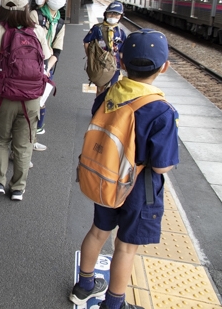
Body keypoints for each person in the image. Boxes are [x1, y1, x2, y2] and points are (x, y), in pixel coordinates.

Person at [69, 29, 179, 309]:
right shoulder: (161, 110)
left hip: (106, 176)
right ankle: (114, 304)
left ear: (122, 63)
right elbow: (163, 165)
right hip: (138, 189)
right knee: (126, 247)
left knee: (97, 231)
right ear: (164, 67)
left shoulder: (110, 93)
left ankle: (84, 285)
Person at [0, 0, 42, 201]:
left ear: (1, 5)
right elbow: (46, 64)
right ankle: (18, 188)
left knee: (1, 140)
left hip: (3, 95)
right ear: (26, 6)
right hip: (31, 97)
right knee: (24, 143)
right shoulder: (37, 31)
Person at [30, 0, 70, 146]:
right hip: (31, 64)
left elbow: (57, 51)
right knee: (29, 103)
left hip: (48, 66)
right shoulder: (35, 15)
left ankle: (33, 138)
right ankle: (23, 142)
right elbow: (28, 43)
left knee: (41, 102)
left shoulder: (60, 23)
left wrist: (47, 67)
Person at [83, 1, 126, 95]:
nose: (113, 16)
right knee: (101, 89)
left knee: (112, 89)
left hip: (115, 66)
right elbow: (86, 41)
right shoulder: (97, 29)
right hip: (100, 65)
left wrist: (123, 65)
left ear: (121, 16)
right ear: (105, 14)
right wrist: (90, 57)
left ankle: (107, 108)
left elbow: (122, 51)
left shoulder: (121, 32)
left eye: (116, 14)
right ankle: (98, 107)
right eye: (110, 13)